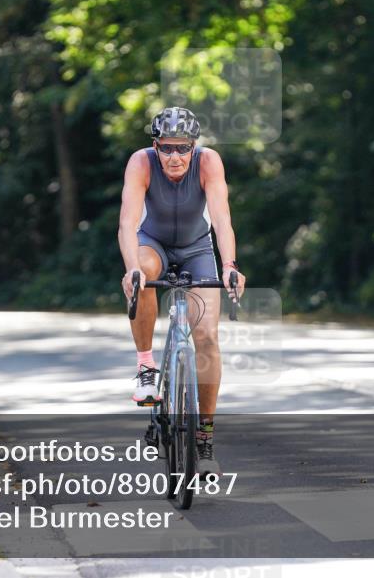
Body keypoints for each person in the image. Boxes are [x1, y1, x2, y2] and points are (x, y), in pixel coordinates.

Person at [118, 106, 247, 477]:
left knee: (206, 336)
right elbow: (127, 222)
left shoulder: (209, 162)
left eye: (183, 148)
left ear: (194, 146)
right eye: (167, 148)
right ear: (155, 146)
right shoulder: (141, 163)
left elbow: (221, 219)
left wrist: (229, 266)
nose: (175, 157)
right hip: (152, 243)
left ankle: (204, 440)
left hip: (196, 249)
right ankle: (146, 366)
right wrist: (131, 268)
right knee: (144, 274)